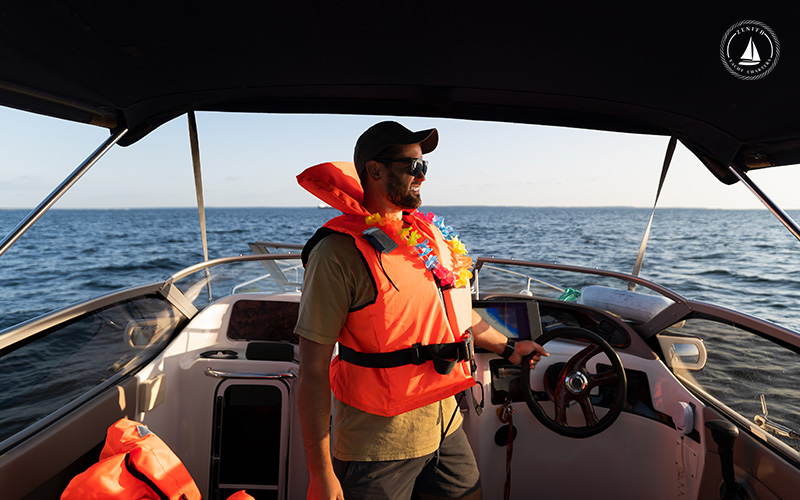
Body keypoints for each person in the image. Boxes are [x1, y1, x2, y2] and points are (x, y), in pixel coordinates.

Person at [295, 121, 548, 500]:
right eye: (412, 166)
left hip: (444, 421)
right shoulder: (337, 254)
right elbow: (313, 368)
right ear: (375, 171)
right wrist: (321, 473)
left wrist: (510, 348)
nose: (421, 177)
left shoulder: (427, 237)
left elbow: (455, 317)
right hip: (378, 441)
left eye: (424, 167)